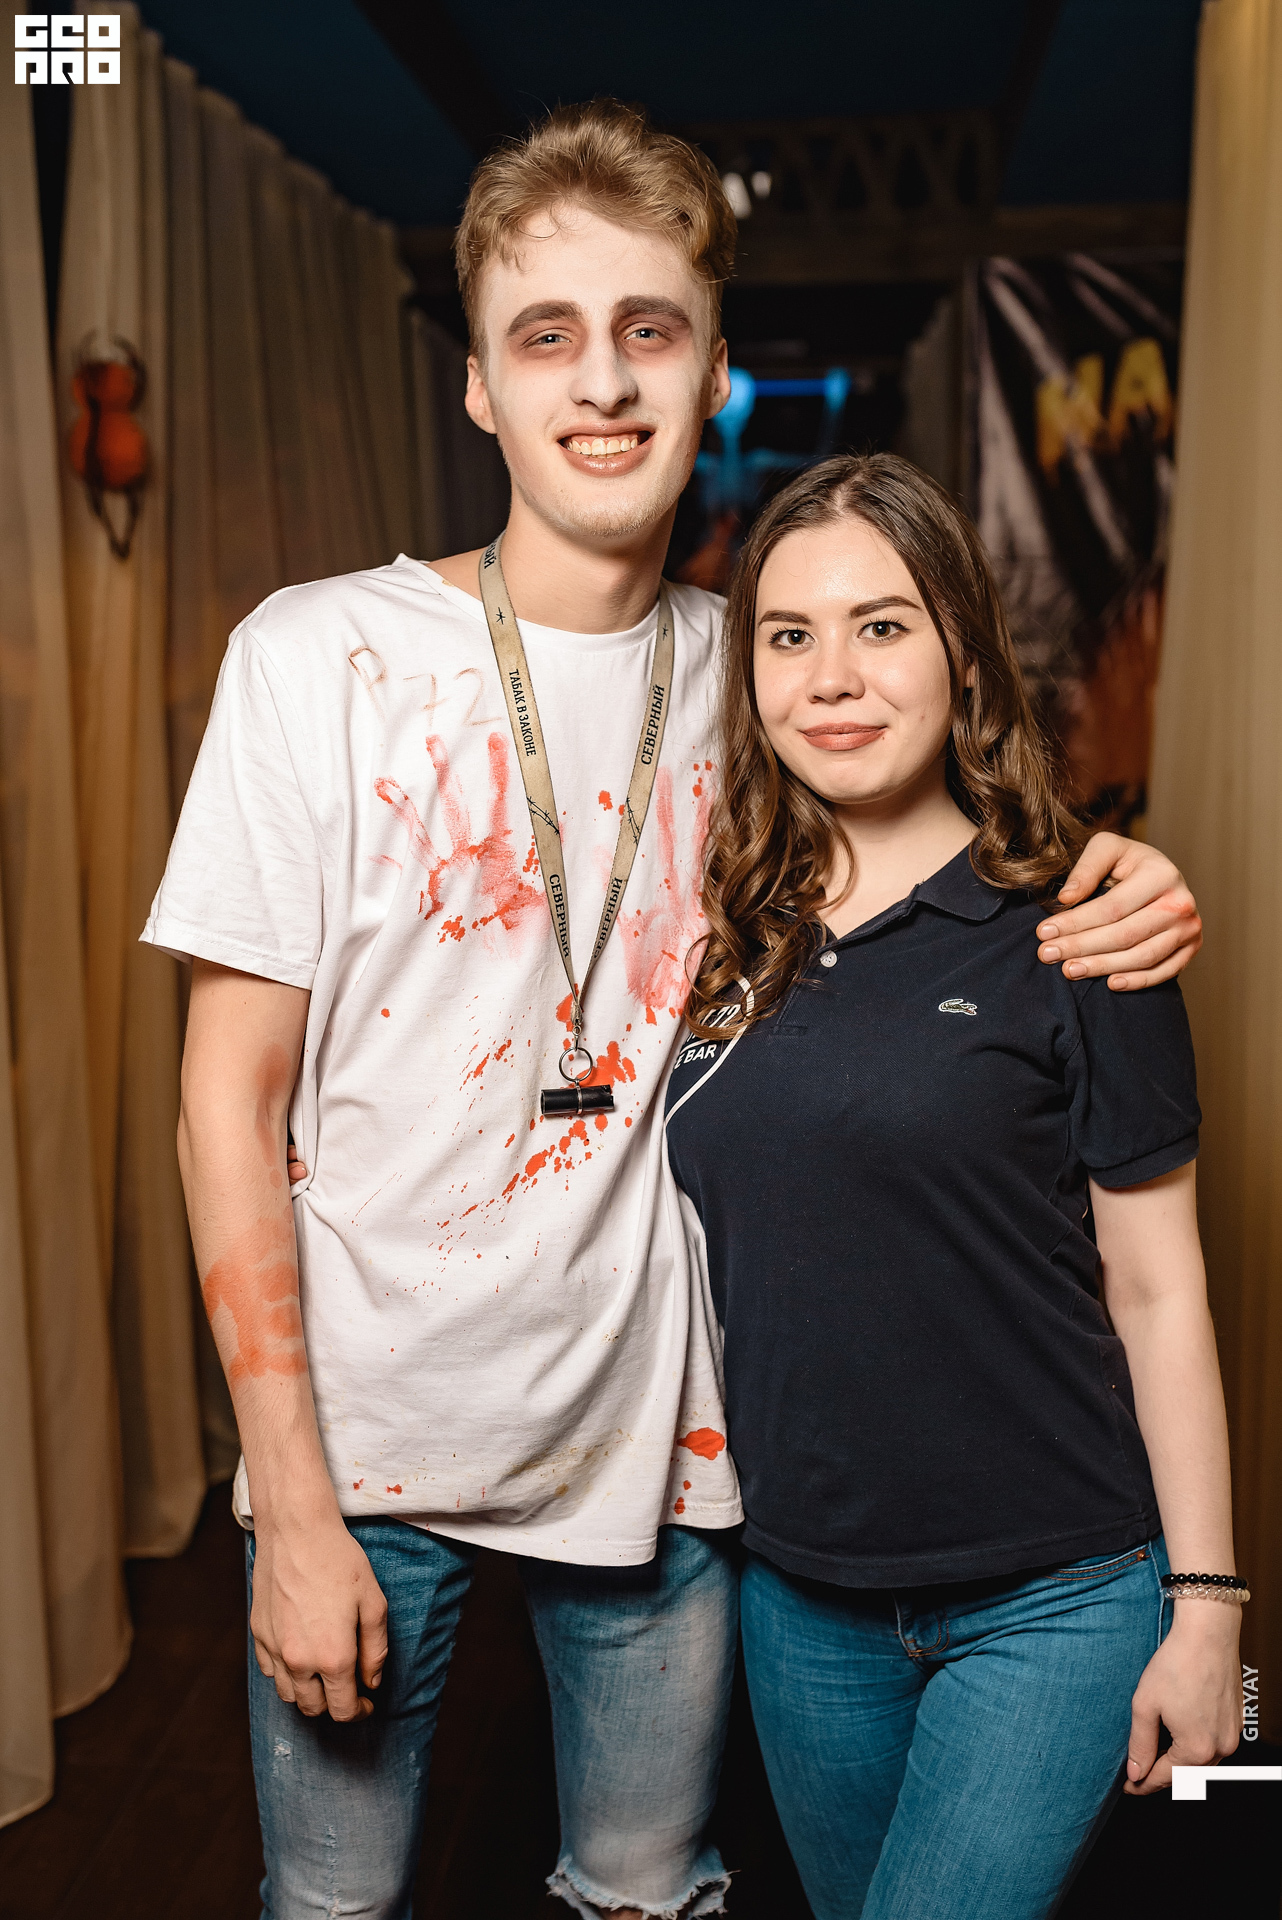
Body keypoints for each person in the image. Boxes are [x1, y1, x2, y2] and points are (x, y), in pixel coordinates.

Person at [144, 99, 1204, 1920]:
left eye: (649, 330)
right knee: (330, 1907)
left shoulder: (771, 674)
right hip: (370, 1451)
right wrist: (289, 1501)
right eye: (544, 334)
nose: (600, 381)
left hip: (677, 1461)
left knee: (649, 1890)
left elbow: (947, 871)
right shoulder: (314, 657)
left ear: (714, 371)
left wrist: (1125, 877)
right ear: (478, 382)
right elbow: (221, 1108)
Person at [663, 453, 1240, 1920]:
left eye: (883, 625)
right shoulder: (720, 933)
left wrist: (1209, 1614)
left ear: (964, 654)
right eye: (789, 635)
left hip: (1054, 1596)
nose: (832, 677)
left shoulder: (1083, 927)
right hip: (801, 1602)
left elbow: (1159, 1289)